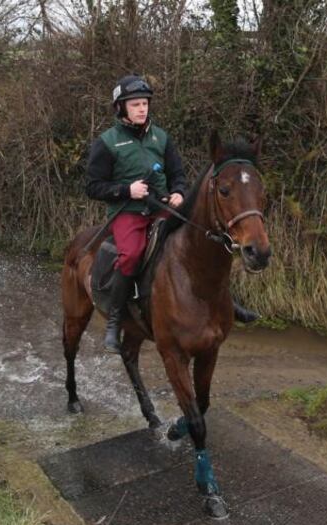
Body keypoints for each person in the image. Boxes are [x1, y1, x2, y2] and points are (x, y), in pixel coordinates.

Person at [85, 75, 261, 354]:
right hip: (128, 213)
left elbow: (177, 173)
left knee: (206, 242)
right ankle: (115, 319)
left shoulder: (161, 137)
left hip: (162, 208)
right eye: (135, 105)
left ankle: (228, 301)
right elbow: (93, 186)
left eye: (144, 103)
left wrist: (179, 191)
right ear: (121, 108)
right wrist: (126, 190)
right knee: (131, 254)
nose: (142, 109)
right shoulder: (107, 143)